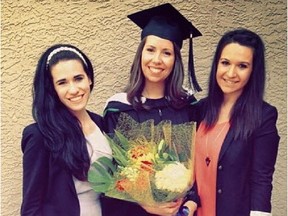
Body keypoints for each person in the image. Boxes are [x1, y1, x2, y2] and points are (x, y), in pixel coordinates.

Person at [102, 3, 201, 216]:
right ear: (140, 54)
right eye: (150, 50)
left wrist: (189, 205)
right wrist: (145, 203)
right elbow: (110, 176)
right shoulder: (119, 109)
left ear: (176, 60)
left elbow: (199, 167)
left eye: (167, 52)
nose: (157, 60)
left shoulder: (188, 106)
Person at [194, 28, 280, 216]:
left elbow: (262, 179)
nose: (231, 73)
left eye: (242, 66)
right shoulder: (200, 109)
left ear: (253, 71)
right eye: (225, 63)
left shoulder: (263, 116)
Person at [21, 44, 112, 216]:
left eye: (78, 78)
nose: (74, 89)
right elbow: (30, 208)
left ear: (89, 79)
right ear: (52, 89)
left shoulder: (101, 123)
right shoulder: (40, 135)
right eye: (62, 82)